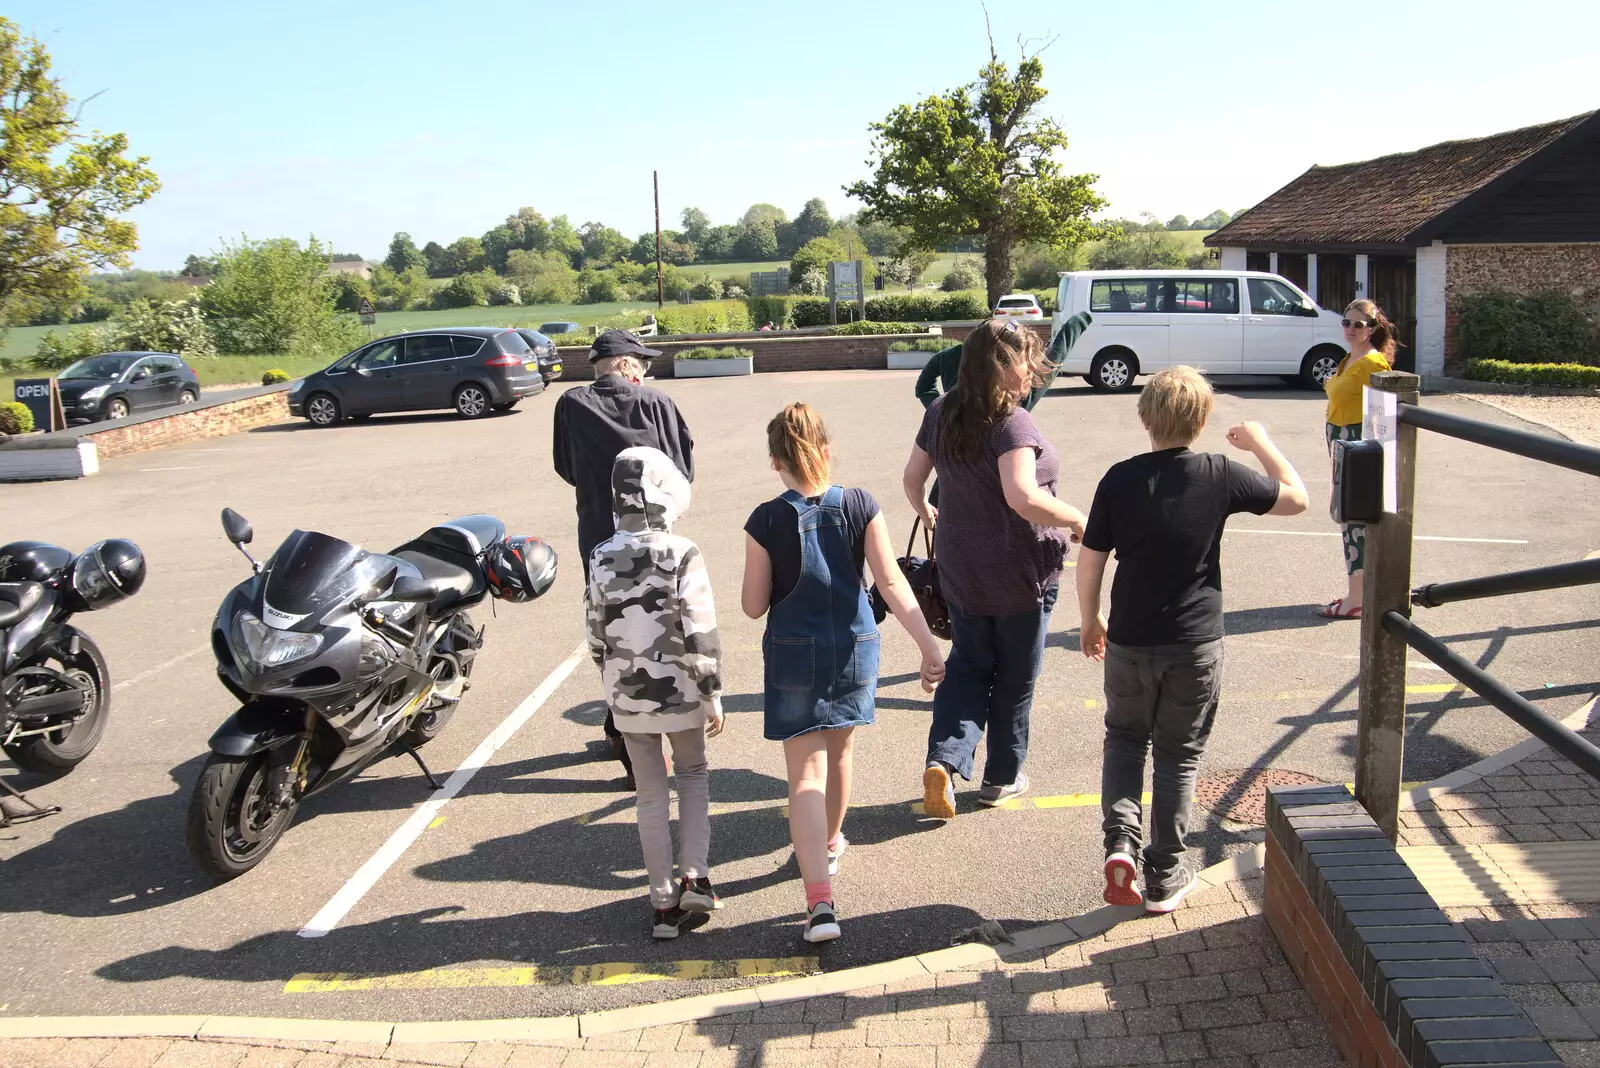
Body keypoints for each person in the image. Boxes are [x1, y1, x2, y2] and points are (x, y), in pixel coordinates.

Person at [1075, 367, 1308, 913]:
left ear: (1144, 417)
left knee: (1126, 740)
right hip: (1194, 641)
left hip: (1130, 638)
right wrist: (1262, 443)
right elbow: (1296, 498)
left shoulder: (1119, 478)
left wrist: (1090, 619)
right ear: (1202, 421)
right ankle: (1164, 872)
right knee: (1178, 755)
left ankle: (1120, 844)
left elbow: (1091, 559)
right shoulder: (1220, 474)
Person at [742, 403, 945, 943]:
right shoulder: (861, 505)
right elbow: (893, 584)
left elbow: (753, 605)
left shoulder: (765, 519)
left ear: (774, 462)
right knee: (841, 756)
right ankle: (830, 845)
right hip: (854, 646)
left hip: (792, 652)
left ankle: (819, 904)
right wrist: (928, 646)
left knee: (803, 775)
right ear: (827, 451)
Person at [902, 319, 1086, 819]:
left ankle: (944, 760)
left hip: (961, 566)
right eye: (1028, 361)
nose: (1034, 372)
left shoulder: (942, 410)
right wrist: (1077, 519)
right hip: (1019, 571)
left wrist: (925, 510)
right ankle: (1001, 778)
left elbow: (913, 478)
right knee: (1015, 677)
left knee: (968, 664)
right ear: (1003, 365)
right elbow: (1022, 497)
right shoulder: (1012, 422)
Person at [587, 447, 725, 940]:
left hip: (625, 695)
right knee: (692, 775)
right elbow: (699, 627)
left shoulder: (601, 554)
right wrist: (712, 691)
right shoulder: (682, 551)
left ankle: (662, 903)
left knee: (649, 795)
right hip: (683, 689)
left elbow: (596, 633)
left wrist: (610, 687)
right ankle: (696, 877)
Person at [554, 329, 696, 787]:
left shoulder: (571, 404)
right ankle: (660, 737)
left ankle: (627, 739)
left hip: (598, 539)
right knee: (663, 630)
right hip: (656, 538)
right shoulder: (655, 402)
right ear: (627, 364)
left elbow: (566, 467)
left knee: (611, 633)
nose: (647, 370)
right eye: (643, 362)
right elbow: (682, 470)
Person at [1319, 299, 1397, 619]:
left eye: (1358, 325)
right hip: (1340, 440)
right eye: (1346, 323)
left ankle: (1357, 599)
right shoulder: (1350, 357)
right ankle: (1358, 592)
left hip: (1355, 442)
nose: (1350, 329)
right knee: (1347, 517)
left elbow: (1385, 413)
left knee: (1354, 519)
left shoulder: (1374, 364)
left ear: (1372, 329)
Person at [914, 312, 1094, 411]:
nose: (1031, 368)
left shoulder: (943, 417)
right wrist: (1078, 322)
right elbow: (1051, 363)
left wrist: (937, 406)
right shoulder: (1015, 415)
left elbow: (923, 387)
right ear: (1001, 366)